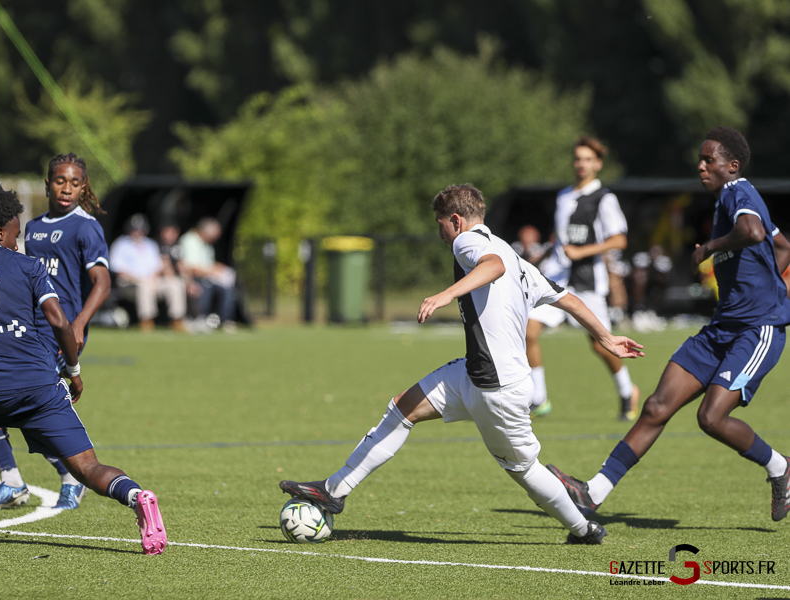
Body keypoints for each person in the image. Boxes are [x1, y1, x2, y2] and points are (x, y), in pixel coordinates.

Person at [279, 184, 644, 544]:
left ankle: (583, 529)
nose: (441, 235)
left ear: (456, 220)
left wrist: (445, 294)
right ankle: (334, 489)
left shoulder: (469, 242)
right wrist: (607, 338)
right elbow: (571, 300)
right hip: (476, 374)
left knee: (525, 470)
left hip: (497, 390)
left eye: (440, 225)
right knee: (403, 407)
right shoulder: (518, 258)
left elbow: (493, 266)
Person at [0, 182, 166, 553]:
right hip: (42, 387)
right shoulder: (28, 266)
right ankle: (137, 496)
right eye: (16, 235)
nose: (17, 244)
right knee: (87, 467)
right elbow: (58, 320)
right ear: (1, 230)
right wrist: (73, 370)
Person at [548, 126, 790, 523]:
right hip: (721, 328)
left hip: (755, 330)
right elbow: (782, 247)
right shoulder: (731, 199)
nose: (700, 165)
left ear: (731, 165)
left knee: (711, 418)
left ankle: (781, 466)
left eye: (708, 159)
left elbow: (753, 232)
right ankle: (592, 492)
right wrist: (768, 285)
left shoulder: (737, 192)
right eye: (700, 158)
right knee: (657, 405)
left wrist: (710, 250)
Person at [0, 153, 111, 511]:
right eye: (60, 181)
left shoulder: (86, 226)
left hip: (58, 334)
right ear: (47, 183)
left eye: (75, 182)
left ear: (84, 187)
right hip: (24, 330)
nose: (67, 188)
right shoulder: (31, 227)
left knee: (21, 403)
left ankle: (70, 476)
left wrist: (78, 323)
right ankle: (13, 481)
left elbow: (102, 283)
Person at [527, 136, 640, 420]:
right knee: (528, 330)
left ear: (598, 164)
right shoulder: (564, 196)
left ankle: (628, 392)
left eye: (588, 159)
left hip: (589, 280)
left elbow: (619, 240)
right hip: (557, 277)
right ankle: (539, 399)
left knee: (602, 345)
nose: (581, 164)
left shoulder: (605, 198)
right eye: (578, 158)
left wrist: (582, 252)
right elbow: (562, 239)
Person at [110, 214, 187, 332]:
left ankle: (177, 319)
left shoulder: (151, 244)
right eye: (135, 230)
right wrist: (139, 279)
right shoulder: (121, 244)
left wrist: (153, 277)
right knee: (144, 286)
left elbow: (158, 266)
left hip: (151, 280)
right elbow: (118, 270)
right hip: (129, 283)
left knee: (175, 283)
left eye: (141, 229)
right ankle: (147, 320)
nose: (138, 232)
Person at [179, 217, 237, 331]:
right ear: (203, 232)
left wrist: (223, 269)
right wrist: (214, 272)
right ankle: (200, 318)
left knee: (228, 290)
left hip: (208, 276)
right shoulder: (189, 241)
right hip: (193, 278)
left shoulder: (207, 244)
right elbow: (191, 267)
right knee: (205, 286)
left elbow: (209, 263)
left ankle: (225, 321)